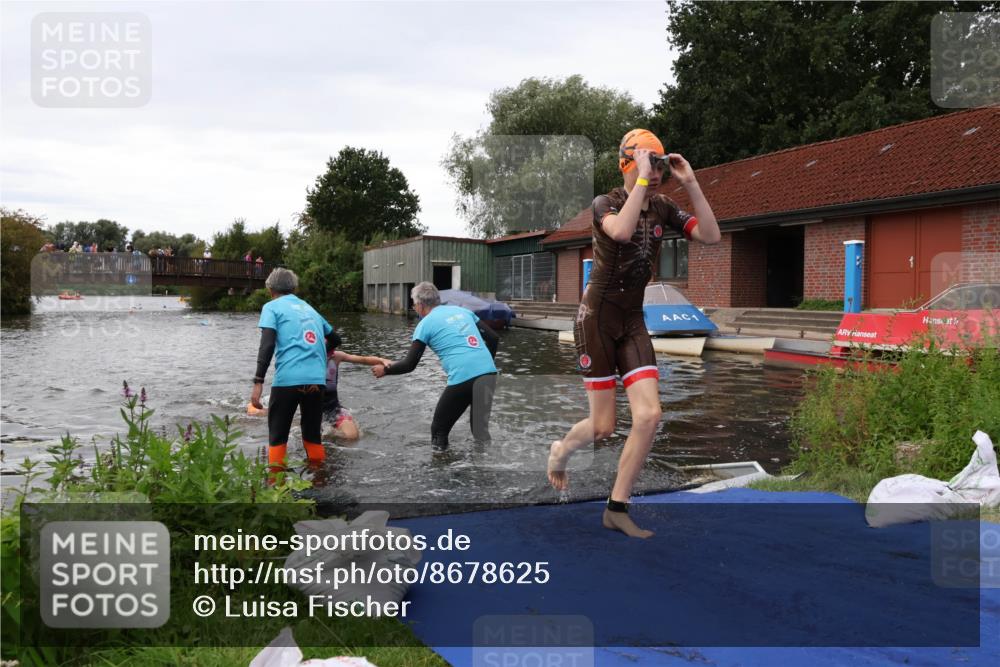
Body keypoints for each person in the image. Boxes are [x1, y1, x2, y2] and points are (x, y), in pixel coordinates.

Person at [546, 129, 721, 538]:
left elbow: (711, 236)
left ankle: (617, 507)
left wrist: (692, 183)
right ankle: (561, 450)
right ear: (627, 164)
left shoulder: (663, 207)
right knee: (603, 426)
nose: (656, 171)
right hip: (596, 320)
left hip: (632, 321)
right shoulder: (604, 203)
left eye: (660, 164)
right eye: (648, 162)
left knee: (650, 415)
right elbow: (621, 232)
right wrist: (642, 178)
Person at [373, 282, 499, 449]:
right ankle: (484, 466)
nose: (414, 308)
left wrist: (386, 370)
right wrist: (482, 367)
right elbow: (493, 338)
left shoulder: (425, 324)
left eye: (414, 304)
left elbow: (409, 364)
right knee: (479, 430)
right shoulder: (463, 311)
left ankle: (440, 473)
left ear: (420, 304)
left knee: (439, 431)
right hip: (488, 373)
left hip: (464, 376)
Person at [250, 268, 332, 475]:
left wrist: (258, 381)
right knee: (313, 436)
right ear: (294, 288)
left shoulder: (271, 307)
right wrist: (321, 352)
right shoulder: (310, 309)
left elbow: (267, 345)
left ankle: (276, 490)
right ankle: (320, 482)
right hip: (316, 381)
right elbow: (335, 338)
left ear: (270, 290)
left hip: (288, 381)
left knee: (278, 436)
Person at [322, 330, 393, 441]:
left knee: (352, 437)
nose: (329, 356)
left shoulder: (337, 357)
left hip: (333, 408)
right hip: (312, 409)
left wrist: (381, 360)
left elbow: (363, 359)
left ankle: (330, 434)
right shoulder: (305, 361)